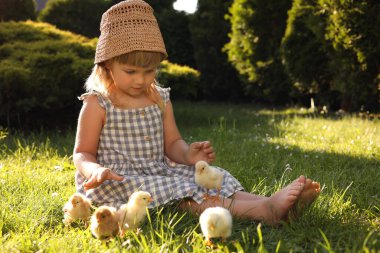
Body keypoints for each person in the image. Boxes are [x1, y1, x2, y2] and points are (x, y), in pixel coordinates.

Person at [73, 0, 320, 225]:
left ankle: (269, 202)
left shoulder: (159, 97)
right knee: (185, 196)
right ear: (107, 64)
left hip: (160, 169)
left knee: (209, 179)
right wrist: (94, 171)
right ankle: (264, 211)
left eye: (149, 71)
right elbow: (82, 152)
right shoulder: (98, 103)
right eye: (131, 71)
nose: (141, 80)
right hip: (118, 180)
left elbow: (172, 144)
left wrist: (187, 154)